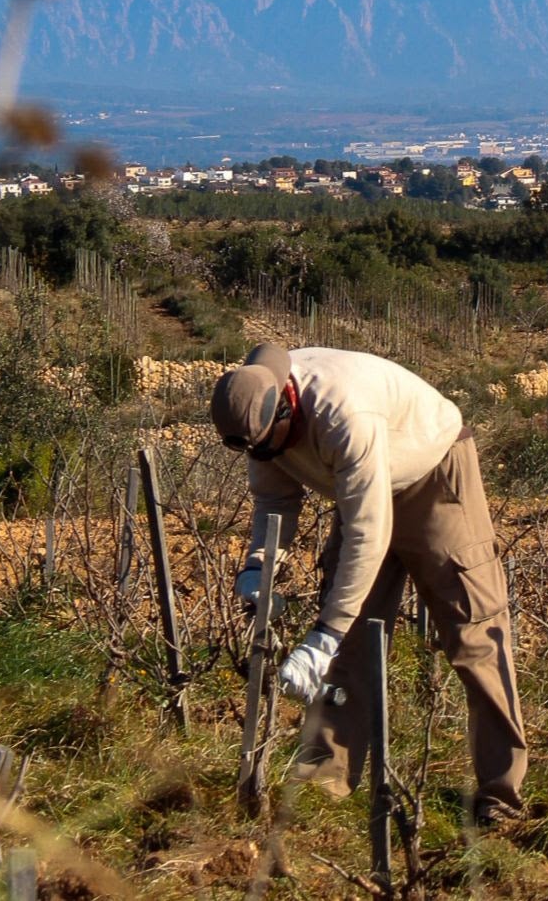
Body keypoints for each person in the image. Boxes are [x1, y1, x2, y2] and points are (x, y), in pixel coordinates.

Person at [211, 343, 526, 826]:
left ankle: (500, 793)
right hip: (364, 489)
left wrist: (324, 635)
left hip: (433, 475)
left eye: (270, 445)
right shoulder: (255, 416)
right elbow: (274, 501)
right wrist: (260, 567)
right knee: (352, 644)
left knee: (473, 632)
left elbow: (367, 534)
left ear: (287, 407)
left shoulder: (344, 414)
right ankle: (324, 780)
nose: (267, 456)